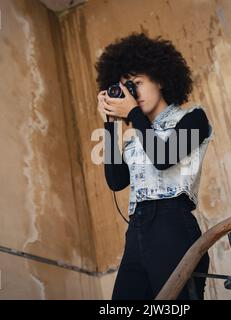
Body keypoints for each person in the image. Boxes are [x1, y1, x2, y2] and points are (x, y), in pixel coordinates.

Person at [94, 32, 213, 300]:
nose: (132, 94)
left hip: (172, 223)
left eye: (136, 83)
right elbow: (116, 181)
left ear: (160, 78)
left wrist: (133, 113)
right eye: (126, 88)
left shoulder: (193, 118)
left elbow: (164, 157)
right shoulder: (137, 136)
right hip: (136, 230)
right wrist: (110, 123)